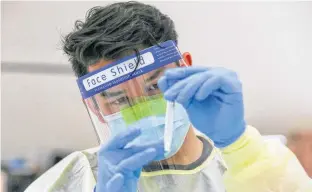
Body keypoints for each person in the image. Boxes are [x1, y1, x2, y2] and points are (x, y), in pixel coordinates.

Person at [25, 2, 312, 192]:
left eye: (154, 86)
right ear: (94, 106)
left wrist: (239, 146)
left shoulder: (252, 166)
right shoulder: (75, 179)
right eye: (119, 99)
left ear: (184, 68)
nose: (142, 110)